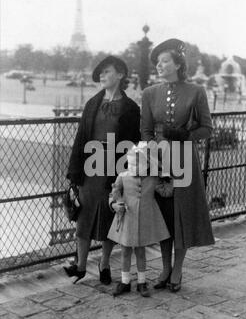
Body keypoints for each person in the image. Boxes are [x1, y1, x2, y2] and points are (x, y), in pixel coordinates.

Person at [141, 38, 215, 292]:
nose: (160, 66)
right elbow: (146, 131)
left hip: (184, 160)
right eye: (158, 62)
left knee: (181, 214)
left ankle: (178, 269)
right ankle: (164, 267)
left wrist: (187, 136)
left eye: (165, 61)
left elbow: (207, 129)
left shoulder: (196, 91)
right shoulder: (150, 94)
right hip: (158, 160)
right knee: (163, 213)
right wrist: (154, 152)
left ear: (178, 64)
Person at [64, 56, 140, 284]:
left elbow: (133, 143)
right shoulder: (92, 104)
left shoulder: (130, 108)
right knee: (84, 217)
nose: (102, 76)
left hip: (114, 169)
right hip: (90, 168)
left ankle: (104, 263)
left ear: (120, 74)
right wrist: (75, 172)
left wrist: (125, 172)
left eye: (107, 72)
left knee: (110, 216)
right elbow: (80, 139)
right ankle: (80, 265)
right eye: (101, 73)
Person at [107, 142, 170, 297]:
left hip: (143, 220)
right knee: (125, 252)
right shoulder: (123, 177)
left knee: (141, 252)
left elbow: (165, 192)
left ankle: (142, 282)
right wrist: (114, 205)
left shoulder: (152, 178)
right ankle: (125, 281)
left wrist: (167, 178)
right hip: (127, 219)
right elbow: (113, 195)